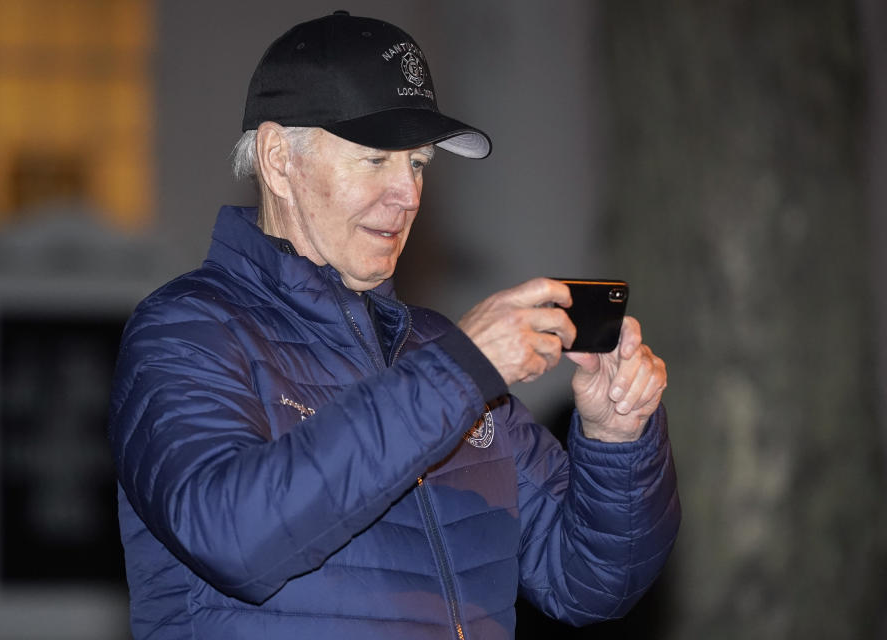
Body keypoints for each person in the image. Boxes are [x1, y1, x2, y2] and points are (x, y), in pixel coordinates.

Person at [108, 11, 679, 640]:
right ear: (277, 159)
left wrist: (616, 441)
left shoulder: (436, 351)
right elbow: (234, 538)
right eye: (375, 159)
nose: (407, 194)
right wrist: (457, 372)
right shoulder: (188, 329)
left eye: (418, 163)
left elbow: (590, 585)